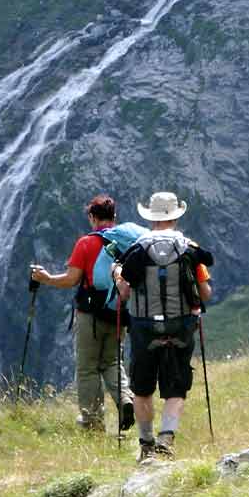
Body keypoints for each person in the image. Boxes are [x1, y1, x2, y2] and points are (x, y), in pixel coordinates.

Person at [114, 191, 214, 461]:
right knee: (177, 385)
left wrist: (116, 275)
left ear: (151, 217)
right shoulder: (189, 249)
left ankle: (145, 445)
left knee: (142, 388)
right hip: (181, 325)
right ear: (176, 215)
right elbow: (205, 294)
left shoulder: (137, 250)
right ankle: (166, 438)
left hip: (144, 327)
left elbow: (124, 293)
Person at [29, 195, 139, 432]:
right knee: (111, 362)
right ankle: (126, 400)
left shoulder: (86, 243)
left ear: (92, 217)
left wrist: (46, 278)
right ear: (114, 217)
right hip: (119, 312)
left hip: (90, 315)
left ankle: (92, 421)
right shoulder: (127, 241)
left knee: (88, 368)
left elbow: (71, 279)